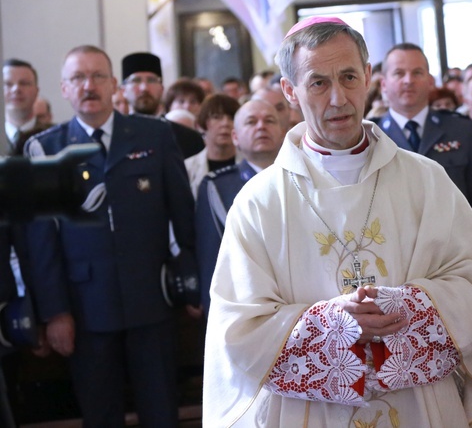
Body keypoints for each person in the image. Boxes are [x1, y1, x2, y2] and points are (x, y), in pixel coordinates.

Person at [203, 17, 472, 427]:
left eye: (348, 77)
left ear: (368, 77)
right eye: (318, 83)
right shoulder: (259, 201)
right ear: (290, 91)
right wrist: (333, 325)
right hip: (312, 412)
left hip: (419, 404)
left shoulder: (425, 179)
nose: (339, 98)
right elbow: (240, 327)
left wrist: (405, 308)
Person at [25, 45, 196, 427]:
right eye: (78, 78)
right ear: (64, 89)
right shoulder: (44, 149)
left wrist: (192, 283)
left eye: (98, 76)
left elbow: (183, 216)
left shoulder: (154, 134)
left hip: (151, 300)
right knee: (100, 416)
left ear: (114, 85)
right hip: (85, 310)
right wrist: (54, 312)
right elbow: (41, 245)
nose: (89, 85)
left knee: (161, 412)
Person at [376, 42, 472, 249]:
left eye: (417, 72)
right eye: (399, 73)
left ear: (430, 81)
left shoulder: (460, 129)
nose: (408, 80)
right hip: (395, 256)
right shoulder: (374, 137)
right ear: (383, 84)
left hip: (456, 253)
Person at [195, 99, 284, 313]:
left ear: (282, 132)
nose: (261, 126)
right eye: (251, 122)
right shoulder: (217, 186)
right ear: (235, 137)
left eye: (269, 120)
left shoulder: (301, 179)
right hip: (245, 303)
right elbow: (211, 258)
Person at [121, 52, 204, 158]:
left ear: (161, 88)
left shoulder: (188, 138)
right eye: (136, 80)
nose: (144, 88)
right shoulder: (112, 136)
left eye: (151, 80)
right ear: (123, 90)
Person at [184, 94, 240, 198]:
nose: (225, 123)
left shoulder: (252, 163)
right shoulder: (187, 169)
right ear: (200, 126)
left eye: (232, 118)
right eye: (216, 117)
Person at [3, 59, 41, 154]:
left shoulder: (57, 138)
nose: (16, 89)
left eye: (24, 83)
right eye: (8, 84)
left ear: (36, 91)